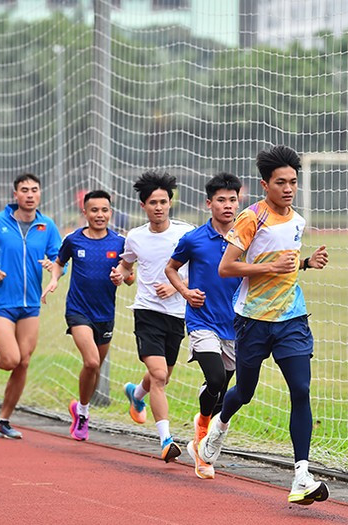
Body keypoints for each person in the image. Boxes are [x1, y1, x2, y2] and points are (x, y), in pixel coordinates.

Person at [197, 145, 330, 505]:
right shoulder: (250, 218)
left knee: (300, 390)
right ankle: (219, 425)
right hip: (252, 320)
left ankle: (301, 474)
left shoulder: (298, 221)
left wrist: (305, 263)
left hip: (291, 318)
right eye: (281, 182)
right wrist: (271, 268)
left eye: (293, 182)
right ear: (264, 184)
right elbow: (227, 268)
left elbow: (284, 265)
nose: (288, 188)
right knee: (244, 391)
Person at [0, 173, 62, 439]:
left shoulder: (47, 225)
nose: (30, 194)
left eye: (34, 190)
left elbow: (59, 257)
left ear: (40, 194)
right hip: (1, 302)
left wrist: (54, 268)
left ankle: (3, 420)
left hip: (31, 303)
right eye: (24, 190)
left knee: (24, 362)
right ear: (15, 195)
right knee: (10, 360)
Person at [111, 171, 193, 463]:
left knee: (163, 376)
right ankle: (166, 440)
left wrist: (175, 287)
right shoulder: (135, 237)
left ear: (170, 203)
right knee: (159, 375)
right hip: (146, 312)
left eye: (163, 201)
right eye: (152, 202)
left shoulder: (185, 234)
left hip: (177, 313)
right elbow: (125, 264)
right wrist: (119, 275)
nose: (158, 207)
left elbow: (197, 268)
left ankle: (136, 394)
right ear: (143, 206)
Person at [164, 172, 242, 479]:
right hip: (202, 321)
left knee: (223, 389)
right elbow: (171, 268)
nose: (227, 205)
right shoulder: (193, 239)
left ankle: (202, 443)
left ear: (239, 202)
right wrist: (185, 292)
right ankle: (202, 432)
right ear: (209, 204)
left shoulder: (246, 238)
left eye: (232, 200)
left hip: (236, 325)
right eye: (220, 200)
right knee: (215, 377)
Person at [42, 190, 135, 441]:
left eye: (104, 210)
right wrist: (54, 279)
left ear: (111, 212)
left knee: (94, 368)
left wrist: (122, 276)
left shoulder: (119, 242)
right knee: (92, 362)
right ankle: (84, 413)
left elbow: (130, 277)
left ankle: (80, 408)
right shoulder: (74, 240)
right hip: (78, 311)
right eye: (94, 210)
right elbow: (60, 262)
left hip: (105, 313)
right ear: (85, 212)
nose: (100, 215)